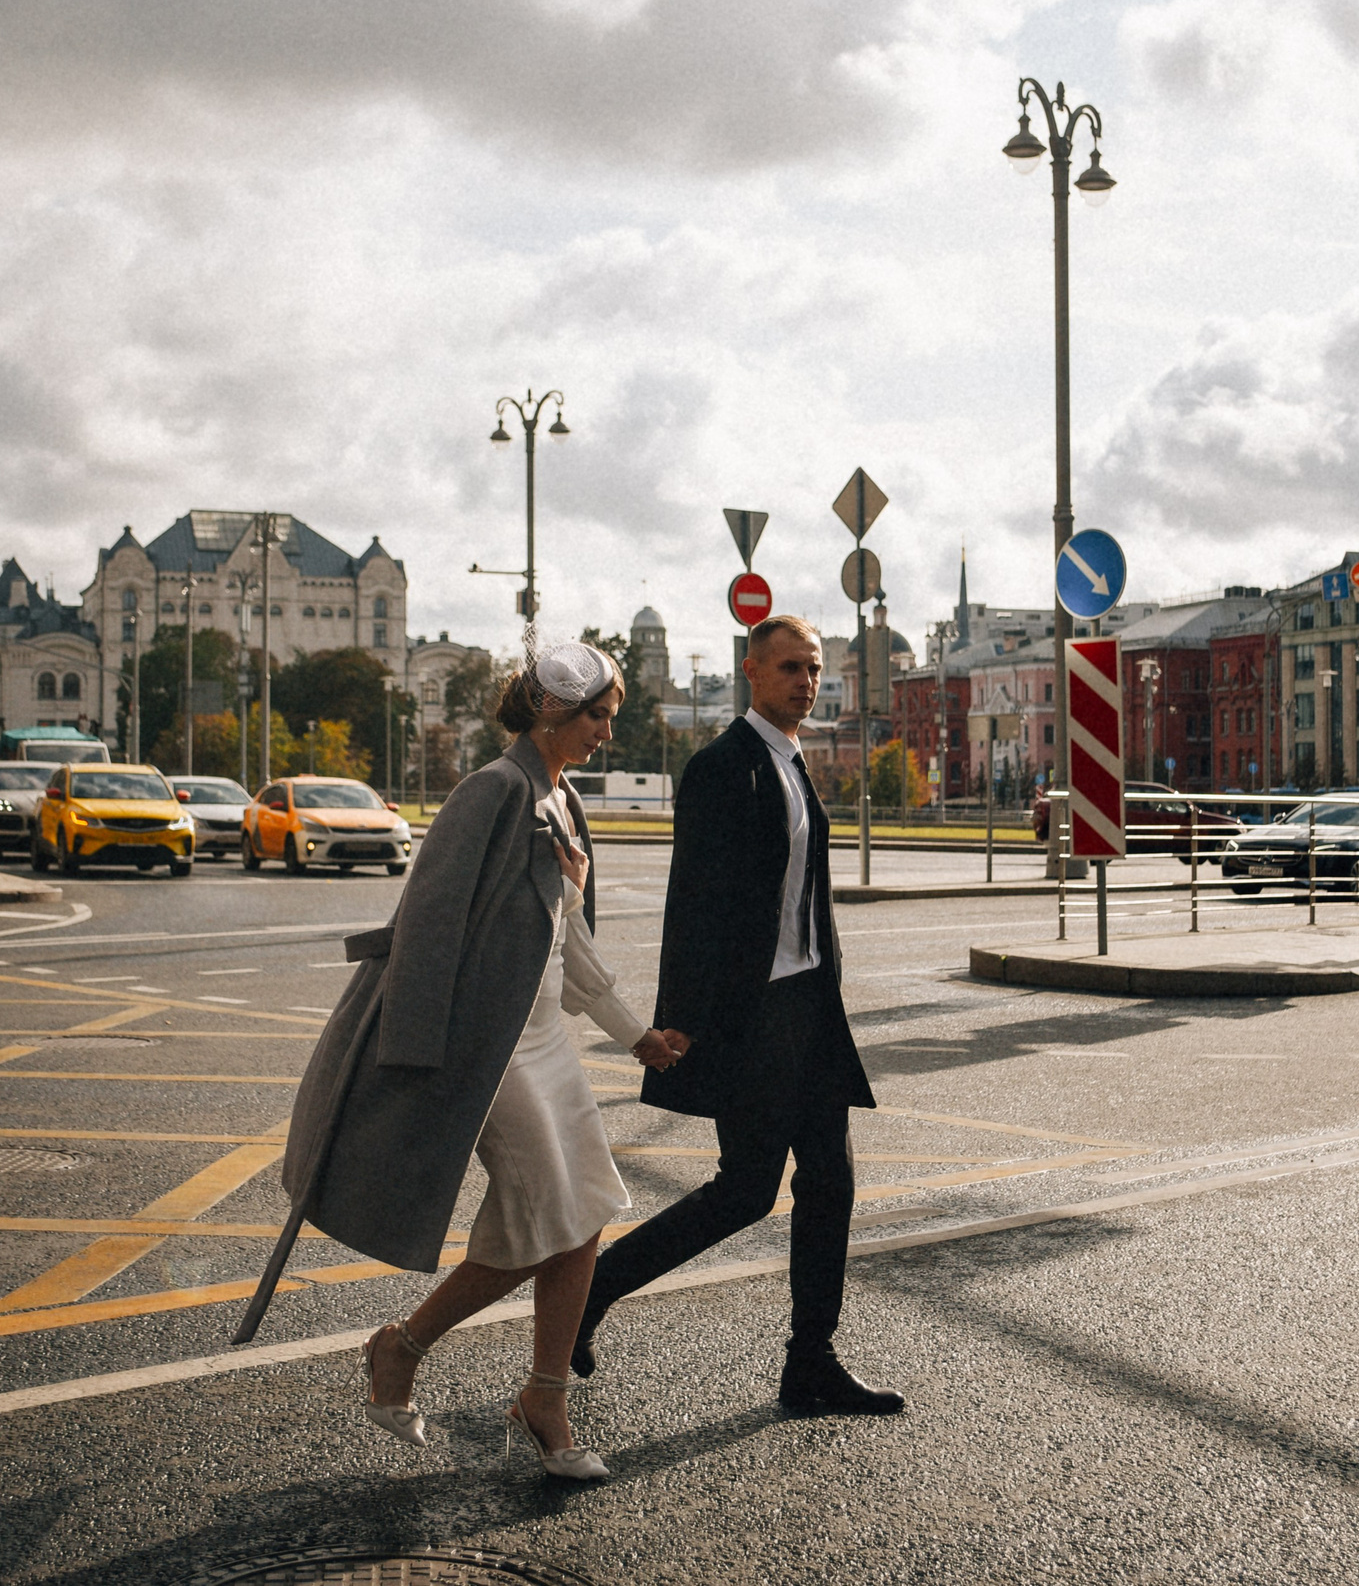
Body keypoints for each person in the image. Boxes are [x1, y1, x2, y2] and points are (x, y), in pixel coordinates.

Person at [239, 641, 683, 1479]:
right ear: (551, 708)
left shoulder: (565, 800)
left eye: (610, 717)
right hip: (491, 1050)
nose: (604, 732)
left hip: (548, 1039)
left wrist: (637, 1035)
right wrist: (415, 1060)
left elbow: (569, 944)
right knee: (550, 1212)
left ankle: (533, 1393)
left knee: (581, 1216)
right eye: (596, 715)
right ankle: (407, 1349)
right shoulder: (493, 789)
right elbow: (427, 928)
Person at [572, 614, 904, 1415]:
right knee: (748, 1190)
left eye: (815, 668)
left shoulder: (794, 761)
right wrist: (681, 1016)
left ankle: (810, 1360)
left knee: (832, 1179)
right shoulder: (723, 766)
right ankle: (595, 1286)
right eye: (790, 666)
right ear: (750, 670)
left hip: (810, 1006)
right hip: (757, 1017)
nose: (806, 681)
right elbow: (695, 902)